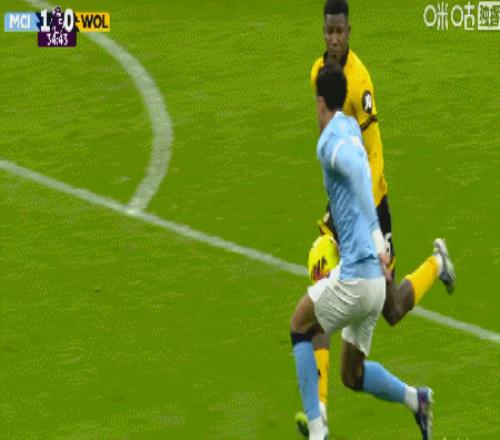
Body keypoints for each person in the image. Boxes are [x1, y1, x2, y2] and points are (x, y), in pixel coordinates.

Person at [296, 1, 456, 434]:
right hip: (343, 204)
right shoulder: (318, 73)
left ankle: (437, 263)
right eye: (328, 31)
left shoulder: (360, 81)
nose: (333, 39)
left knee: (392, 310)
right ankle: (329, 412)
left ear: (349, 32)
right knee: (325, 293)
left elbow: (373, 149)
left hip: (370, 200)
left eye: (340, 32)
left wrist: (366, 206)